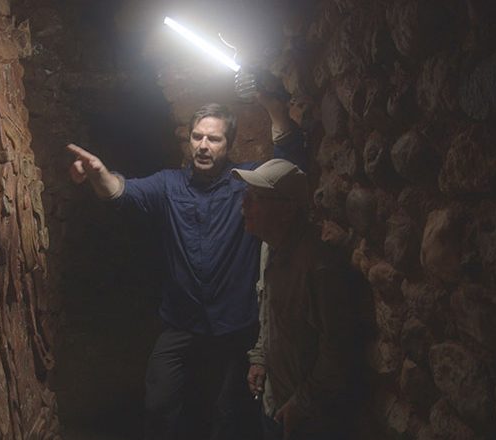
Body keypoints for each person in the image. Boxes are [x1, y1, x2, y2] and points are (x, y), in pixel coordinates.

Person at [68, 92, 304, 439]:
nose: (203, 146)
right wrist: (98, 173)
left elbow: (287, 170)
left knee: (230, 416)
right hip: (183, 320)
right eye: (197, 136)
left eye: (214, 138)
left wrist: (276, 113)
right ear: (189, 138)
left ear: (229, 144)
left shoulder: (245, 184)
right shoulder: (168, 185)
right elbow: (121, 192)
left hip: (234, 324)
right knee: (159, 404)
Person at [233, 159, 358, 440]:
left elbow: (337, 348)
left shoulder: (318, 267)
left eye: (255, 198)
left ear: (287, 210)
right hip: (276, 404)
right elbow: (270, 313)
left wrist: (302, 403)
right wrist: (261, 359)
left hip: (309, 420)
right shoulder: (269, 247)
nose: (244, 205)